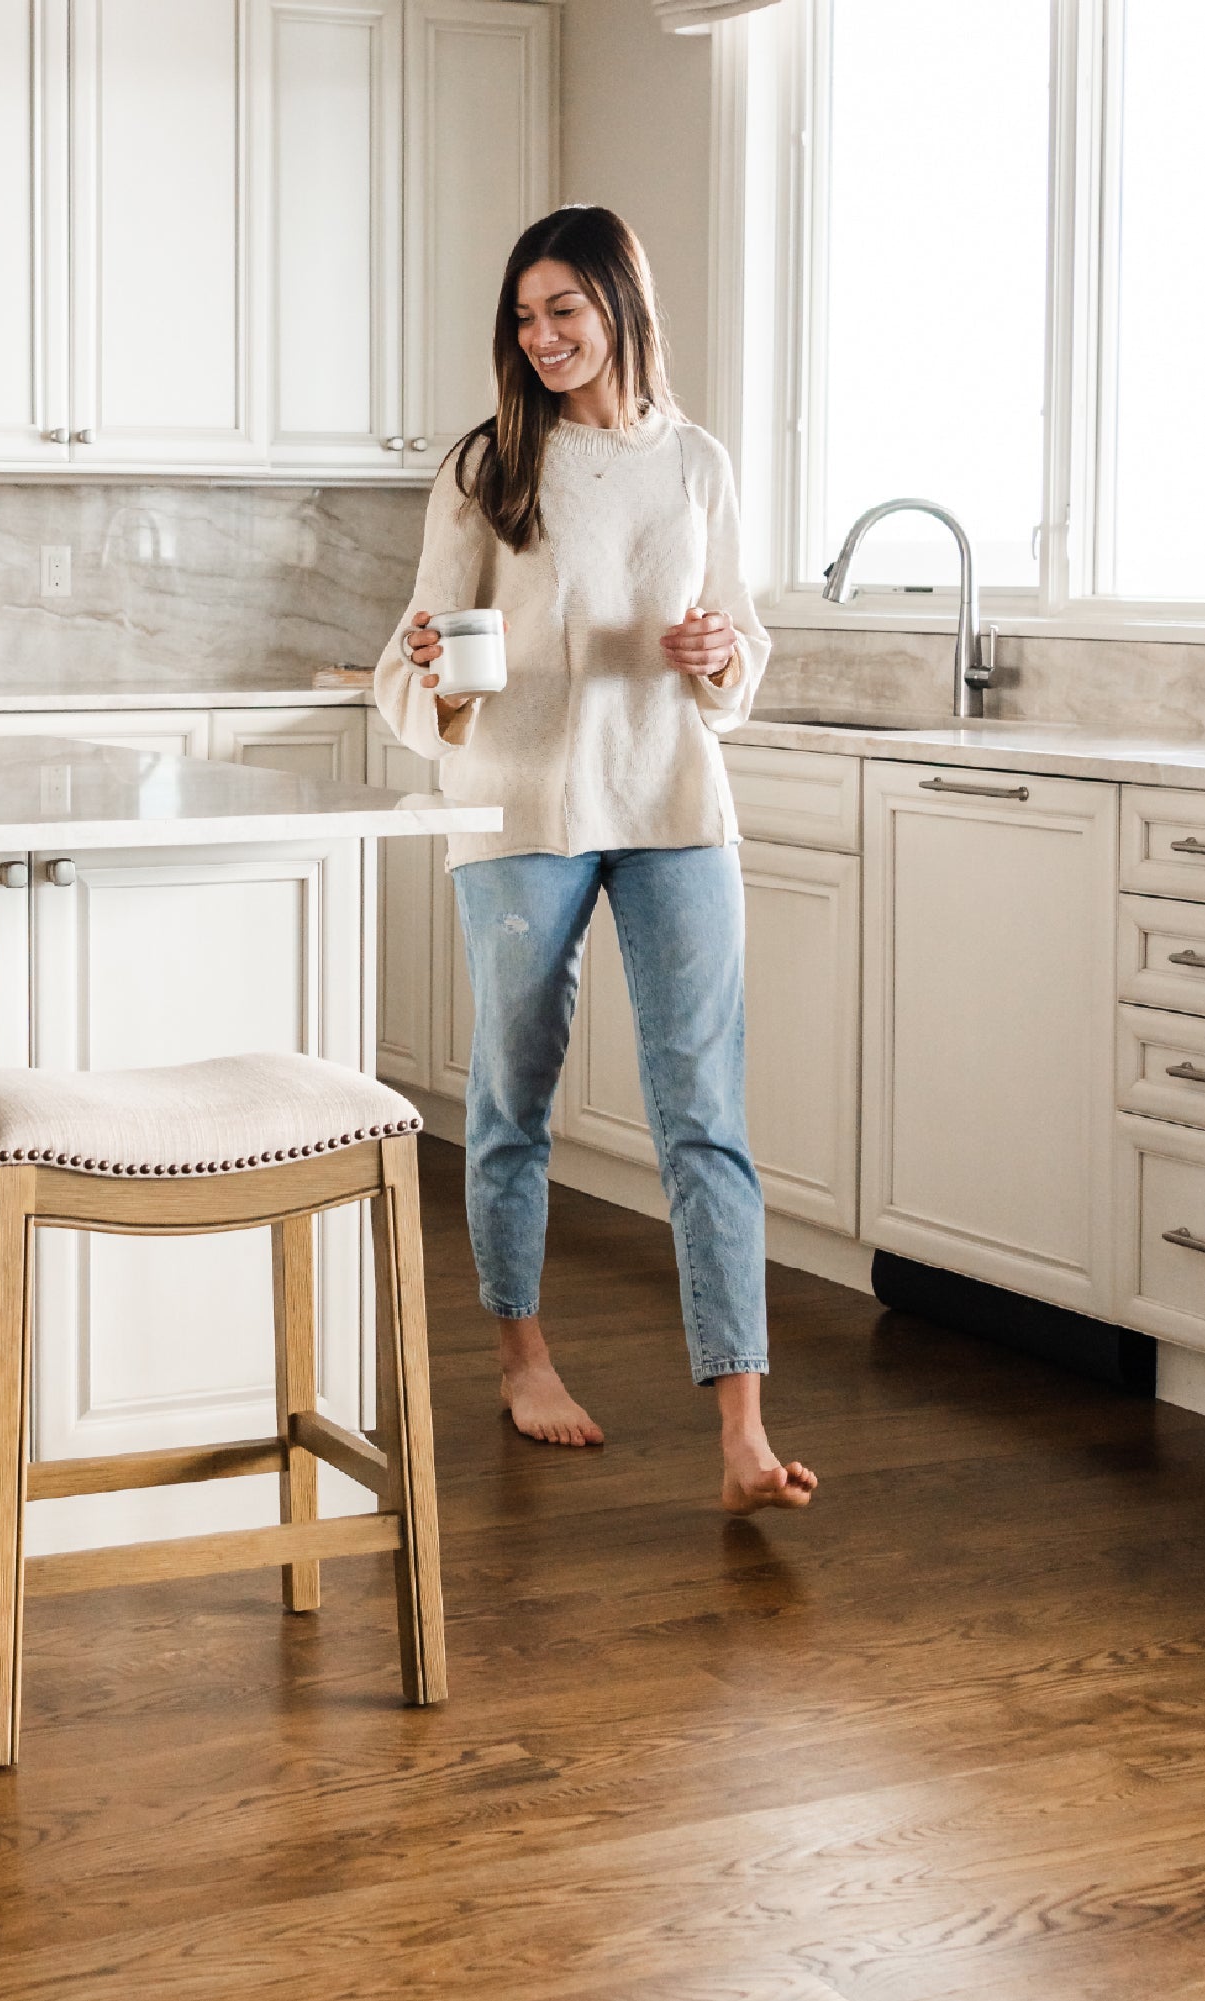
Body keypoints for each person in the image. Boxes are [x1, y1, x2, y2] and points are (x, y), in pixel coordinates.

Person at [374, 204, 816, 1515]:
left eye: (563, 307)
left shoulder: (696, 462)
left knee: (705, 1115)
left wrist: (718, 658)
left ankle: (740, 1429)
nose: (543, 335)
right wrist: (426, 675)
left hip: (673, 798)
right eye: (524, 315)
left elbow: (734, 637)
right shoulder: (485, 465)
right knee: (512, 1095)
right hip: (517, 804)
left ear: (621, 304)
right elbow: (421, 651)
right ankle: (522, 1357)